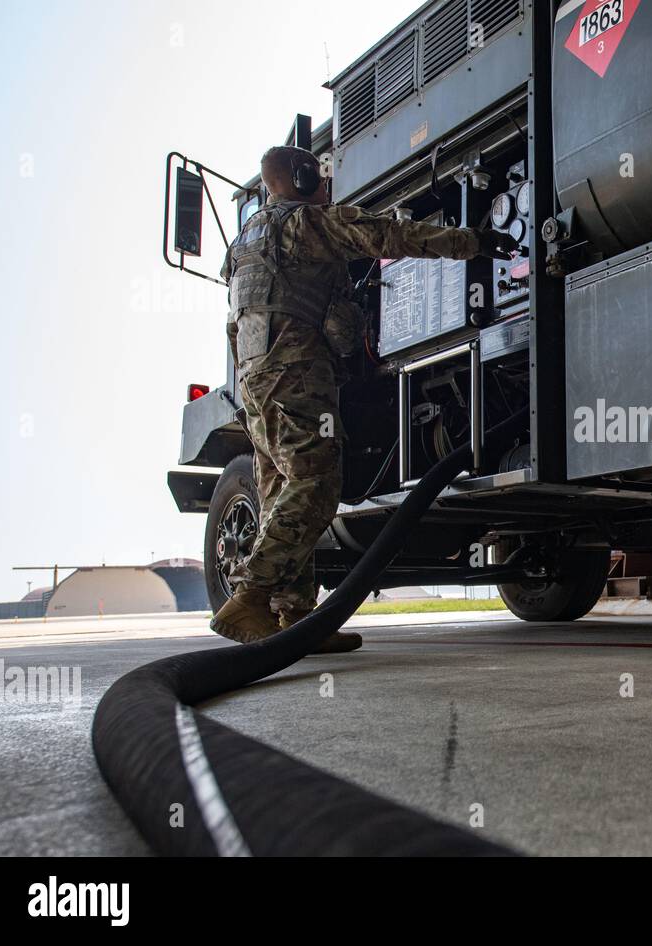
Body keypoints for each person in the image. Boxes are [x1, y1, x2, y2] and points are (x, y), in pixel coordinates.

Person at [212, 145, 519, 652]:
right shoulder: (307, 225)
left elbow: (256, 317)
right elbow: (390, 236)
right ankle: (251, 594)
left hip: (254, 381)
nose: (327, 185)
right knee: (315, 482)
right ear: (302, 175)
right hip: (295, 374)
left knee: (279, 493)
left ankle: (295, 621)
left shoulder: (245, 244)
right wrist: (474, 241)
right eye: (321, 175)